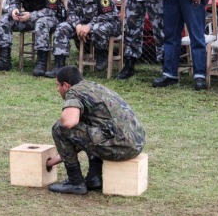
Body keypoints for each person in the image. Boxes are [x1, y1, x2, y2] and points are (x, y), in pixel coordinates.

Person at [46, 66, 146, 195]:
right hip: (135, 144)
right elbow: (83, 139)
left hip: (121, 147)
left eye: (58, 85)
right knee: (91, 127)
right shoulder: (93, 86)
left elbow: (68, 122)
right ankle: (94, 178)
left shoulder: (74, 91)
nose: (57, 89)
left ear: (66, 85)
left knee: (59, 128)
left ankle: (75, 182)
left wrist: (68, 109)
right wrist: (53, 162)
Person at [47, 0, 121, 78]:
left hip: (109, 23)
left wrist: (89, 26)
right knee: (62, 27)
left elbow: (110, 14)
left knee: (97, 28)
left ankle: (101, 54)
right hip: (82, 24)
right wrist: (77, 25)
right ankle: (59, 65)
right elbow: (71, 12)